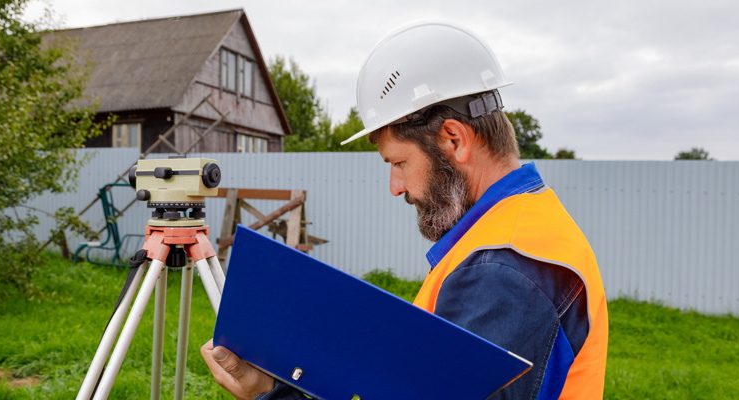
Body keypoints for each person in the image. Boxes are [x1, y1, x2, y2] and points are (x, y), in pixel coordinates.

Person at [202, 21, 608, 400]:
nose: (396, 188)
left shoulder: (502, 270)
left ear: (453, 140)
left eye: (398, 163)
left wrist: (269, 393)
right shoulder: (522, 228)